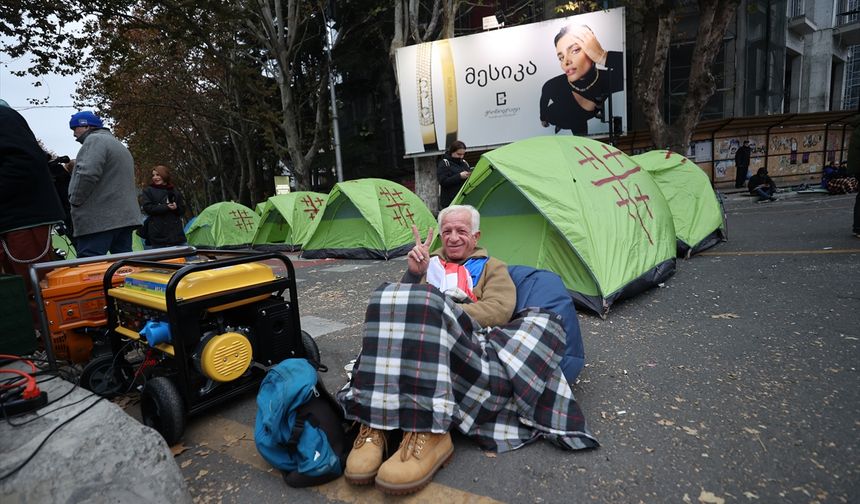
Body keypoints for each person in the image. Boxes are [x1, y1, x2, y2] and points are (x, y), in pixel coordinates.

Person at [337, 205, 597, 495]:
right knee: (384, 295)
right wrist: (413, 276)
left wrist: (444, 311)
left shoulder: (491, 267)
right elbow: (398, 312)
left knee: (425, 305)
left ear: (476, 236)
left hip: (470, 343)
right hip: (423, 338)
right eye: (447, 231)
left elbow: (499, 310)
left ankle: (430, 431)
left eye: (461, 231)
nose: (453, 237)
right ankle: (375, 424)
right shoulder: (428, 263)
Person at [0, 100, 66, 327]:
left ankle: (57, 345)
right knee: (13, 291)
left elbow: (25, 163)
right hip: (11, 220)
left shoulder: (4, 116)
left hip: (22, 219)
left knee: (35, 289)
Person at [67, 111, 141, 257]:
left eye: (74, 128)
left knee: (89, 268)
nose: (74, 134)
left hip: (100, 221)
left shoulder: (94, 141)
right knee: (124, 267)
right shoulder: (118, 145)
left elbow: (86, 174)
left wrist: (74, 200)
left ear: (86, 126)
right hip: (124, 219)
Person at [539, 25, 623, 135]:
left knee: (577, 123)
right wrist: (543, 118)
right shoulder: (552, 86)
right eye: (561, 57)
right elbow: (543, 104)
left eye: (574, 50)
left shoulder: (608, 79)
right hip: (558, 116)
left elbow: (631, 68)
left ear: (592, 48)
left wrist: (603, 56)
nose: (566, 62)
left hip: (579, 122)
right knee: (574, 119)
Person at [140, 165, 187, 248]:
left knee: (186, 258)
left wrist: (176, 208)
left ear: (164, 175)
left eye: (158, 175)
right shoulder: (148, 191)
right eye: (153, 175)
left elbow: (182, 210)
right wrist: (166, 207)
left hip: (176, 235)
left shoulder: (175, 191)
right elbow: (147, 208)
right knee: (161, 260)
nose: (155, 177)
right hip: (158, 235)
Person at [436, 140, 471, 209]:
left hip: (464, 200)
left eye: (463, 154)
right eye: (459, 154)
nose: (461, 157)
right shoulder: (444, 163)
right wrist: (459, 176)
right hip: (450, 203)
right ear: (452, 152)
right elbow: (443, 181)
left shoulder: (464, 163)